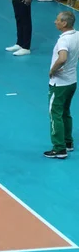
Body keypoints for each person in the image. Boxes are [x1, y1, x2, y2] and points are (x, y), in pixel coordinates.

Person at [45, 11, 79, 159]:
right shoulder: (77, 35)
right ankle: (68, 142)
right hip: (72, 81)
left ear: (64, 23)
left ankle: (59, 148)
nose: (55, 22)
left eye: (57, 20)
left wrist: (52, 70)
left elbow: (63, 58)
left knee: (55, 114)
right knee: (65, 112)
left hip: (59, 84)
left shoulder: (63, 41)